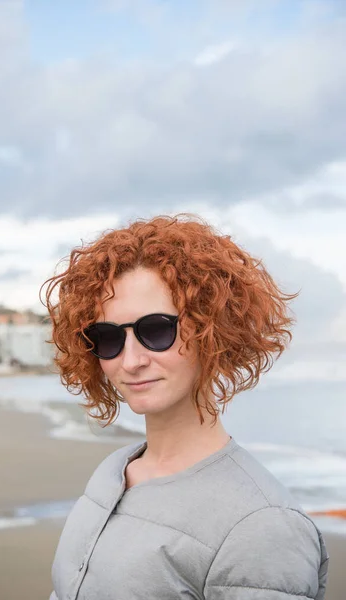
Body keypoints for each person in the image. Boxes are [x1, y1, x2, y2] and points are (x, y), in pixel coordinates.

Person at [41, 213, 329, 600]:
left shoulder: (262, 526)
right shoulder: (111, 474)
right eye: (107, 338)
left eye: (156, 330)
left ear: (213, 330)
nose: (130, 361)